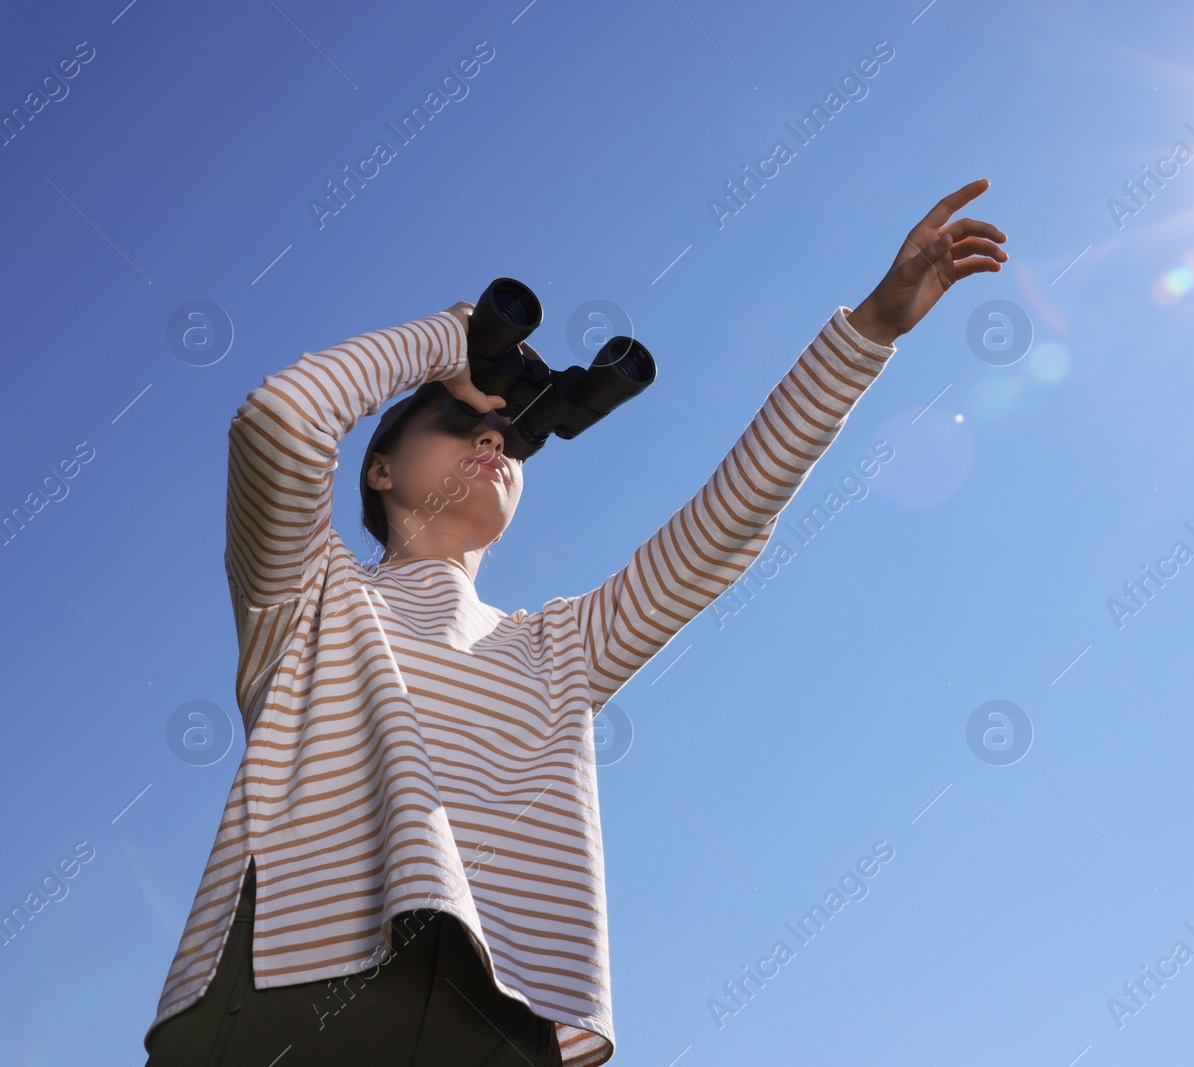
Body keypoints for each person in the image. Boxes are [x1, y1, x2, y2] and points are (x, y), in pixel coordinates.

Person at [142, 179, 1006, 1066]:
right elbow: (281, 420)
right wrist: (451, 343)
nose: (494, 440)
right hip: (295, 975)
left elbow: (726, 527)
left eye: (513, 438)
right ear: (379, 473)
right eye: (456, 419)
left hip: (497, 1014)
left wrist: (869, 330)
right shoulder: (308, 596)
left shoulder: (558, 645)